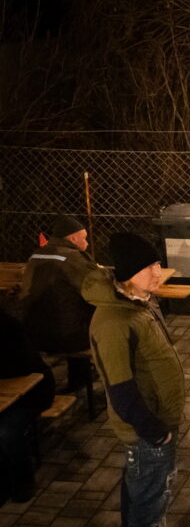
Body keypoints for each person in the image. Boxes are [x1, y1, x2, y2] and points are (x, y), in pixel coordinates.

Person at [83, 233, 190, 527]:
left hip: (157, 422)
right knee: (145, 510)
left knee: (144, 494)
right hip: (148, 430)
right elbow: (122, 389)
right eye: (151, 267)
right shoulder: (114, 321)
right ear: (129, 274)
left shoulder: (136, 303)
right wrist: (155, 431)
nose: (159, 272)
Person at [19, 214, 100, 391]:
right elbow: (98, 290)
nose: (87, 244)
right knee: (101, 316)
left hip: (33, 334)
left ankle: (77, 378)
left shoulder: (36, 255)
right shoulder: (73, 258)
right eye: (84, 239)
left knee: (66, 312)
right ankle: (91, 378)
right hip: (67, 338)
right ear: (72, 238)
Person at [0, 309, 55, 505]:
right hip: (7, 395)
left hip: (33, 391)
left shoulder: (8, 325)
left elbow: (22, 366)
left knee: (7, 431)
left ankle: (23, 478)